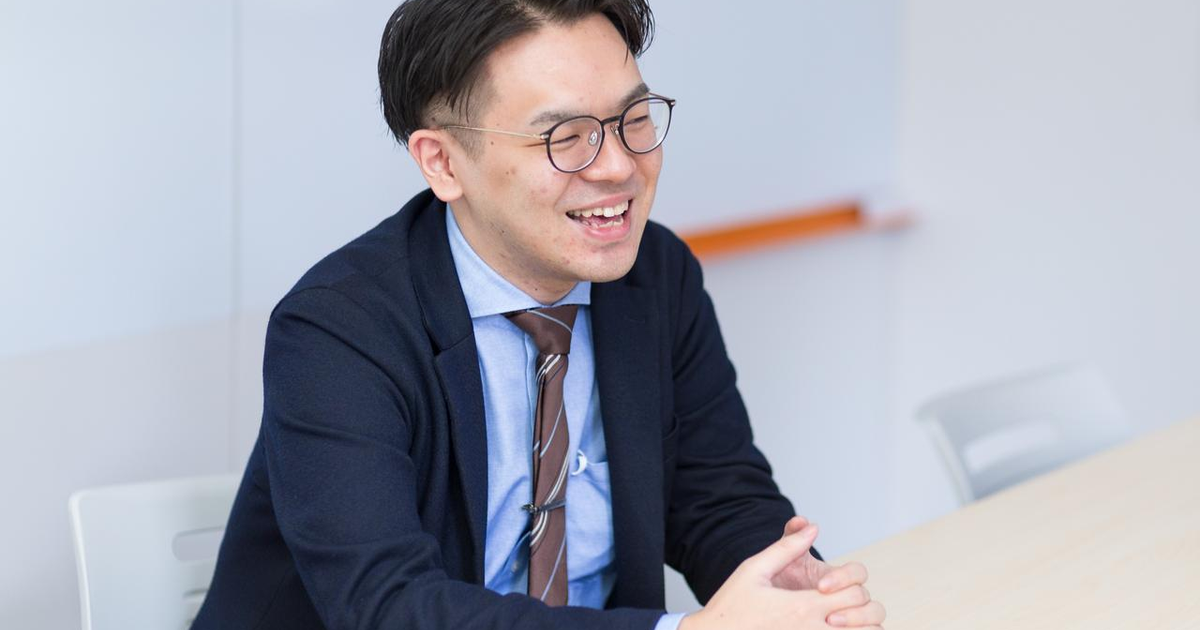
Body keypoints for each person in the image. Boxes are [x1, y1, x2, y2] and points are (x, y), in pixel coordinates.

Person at [193, 1, 886, 628]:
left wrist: (790, 584)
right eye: (565, 136)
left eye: (634, 120)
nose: (618, 167)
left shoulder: (656, 274)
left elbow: (716, 497)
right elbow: (389, 606)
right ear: (443, 163)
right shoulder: (338, 330)